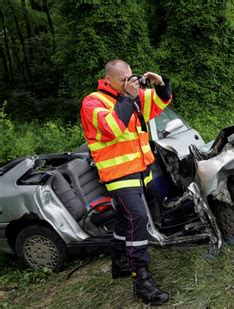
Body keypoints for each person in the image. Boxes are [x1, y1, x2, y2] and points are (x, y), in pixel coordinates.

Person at [80, 59, 172, 306]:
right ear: (107, 79)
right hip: (118, 175)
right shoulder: (93, 102)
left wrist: (161, 83)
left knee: (125, 218)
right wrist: (128, 98)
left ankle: (119, 262)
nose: (128, 82)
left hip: (140, 170)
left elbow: (161, 102)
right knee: (137, 219)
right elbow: (112, 129)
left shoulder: (132, 96)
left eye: (130, 76)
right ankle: (141, 279)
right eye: (123, 79)